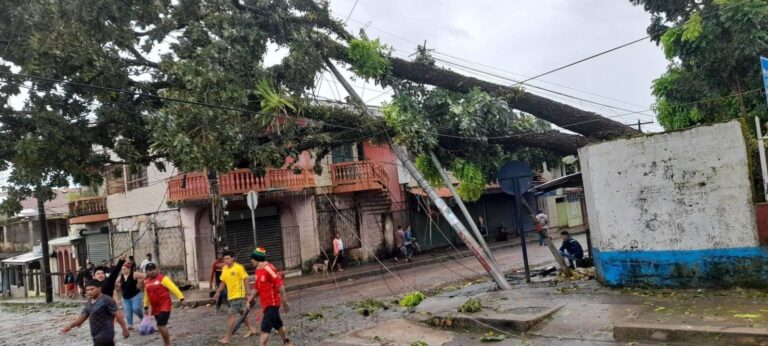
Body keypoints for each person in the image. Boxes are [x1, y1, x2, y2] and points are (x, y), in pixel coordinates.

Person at [247, 247, 292, 346]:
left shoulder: (269, 268)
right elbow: (256, 288)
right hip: (265, 304)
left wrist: (285, 304)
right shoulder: (258, 270)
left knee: (264, 329)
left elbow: (281, 287)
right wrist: (250, 299)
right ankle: (287, 342)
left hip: (272, 304)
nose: (251, 260)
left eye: (253, 258)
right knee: (278, 325)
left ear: (258, 259)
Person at [61, 280, 130, 346]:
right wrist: (70, 326)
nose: (89, 292)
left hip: (105, 335)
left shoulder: (106, 299)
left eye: (92, 289)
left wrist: (124, 329)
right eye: (87, 290)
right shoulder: (90, 301)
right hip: (96, 335)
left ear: (99, 288)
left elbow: (118, 314)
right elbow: (84, 315)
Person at [213, 250, 258, 344]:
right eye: (224, 258)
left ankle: (227, 338)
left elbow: (246, 279)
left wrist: (247, 293)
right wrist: (217, 292)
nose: (226, 260)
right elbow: (223, 282)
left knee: (231, 315)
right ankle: (252, 329)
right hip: (231, 296)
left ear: (233, 258)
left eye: (228, 258)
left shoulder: (238, 267)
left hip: (239, 295)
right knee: (242, 313)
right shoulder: (224, 268)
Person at [143, 262, 186, 346]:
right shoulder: (146, 282)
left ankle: (168, 344)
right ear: (146, 272)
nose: (152, 271)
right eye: (149, 270)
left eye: (153, 269)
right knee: (160, 326)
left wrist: (181, 298)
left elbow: (173, 288)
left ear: (157, 269)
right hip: (155, 307)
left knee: (161, 324)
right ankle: (166, 342)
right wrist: (145, 306)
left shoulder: (163, 278)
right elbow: (146, 294)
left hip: (165, 305)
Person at [116, 262, 145, 330]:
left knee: (136, 308)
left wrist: (139, 282)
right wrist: (119, 286)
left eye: (125, 269)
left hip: (135, 295)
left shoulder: (134, 274)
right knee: (128, 311)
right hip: (125, 297)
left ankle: (142, 318)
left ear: (129, 269)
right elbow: (116, 282)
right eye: (122, 269)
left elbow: (145, 275)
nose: (123, 271)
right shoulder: (121, 276)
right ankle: (130, 325)